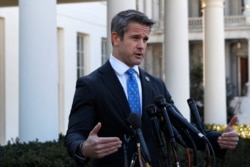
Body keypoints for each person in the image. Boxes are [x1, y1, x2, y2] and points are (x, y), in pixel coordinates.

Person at [65, 9, 239, 167]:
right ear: (115, 38)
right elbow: (74, 134)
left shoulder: (156, 85)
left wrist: (218, 140)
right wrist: (83, 148)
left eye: (145, 39)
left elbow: (179, 130)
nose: (142, 45)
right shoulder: (91, 84)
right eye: (135, 38)